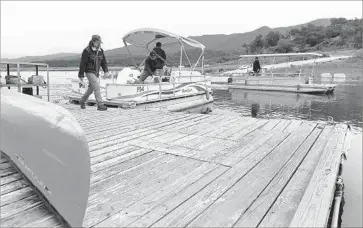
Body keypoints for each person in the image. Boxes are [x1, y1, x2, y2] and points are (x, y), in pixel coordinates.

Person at [78, 35, 109, 111]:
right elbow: (82, 63)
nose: (99, 44)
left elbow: (104, 62)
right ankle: (100, 105)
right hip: (89, 71)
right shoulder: (87, 50)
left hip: (96, 73)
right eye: (97, 42)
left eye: (100, 42)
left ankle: (82, 101)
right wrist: (81, 75)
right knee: (97, 87)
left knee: (91, 89)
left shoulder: (101, 51)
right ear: (93, 42)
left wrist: (106, 71)